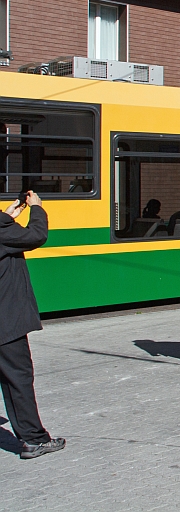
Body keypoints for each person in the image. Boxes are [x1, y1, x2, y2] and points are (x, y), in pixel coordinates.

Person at [0, 191, 66, 460]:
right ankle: (33, 439)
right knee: (18, 378)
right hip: (7, 321)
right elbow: (36, 235)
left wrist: (7, 217)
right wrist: (37, 209)